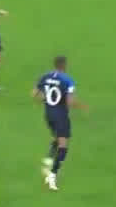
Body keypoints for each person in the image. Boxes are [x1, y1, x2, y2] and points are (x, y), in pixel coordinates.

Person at [35, 56, 85, 192]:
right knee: (63, 145)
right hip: (61, 117)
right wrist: (81, 106)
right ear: (64, 66)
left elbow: (35, 95)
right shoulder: (68, 80)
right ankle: (52, 175)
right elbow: (70, 102)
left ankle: (48, 159)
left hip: (48, 115)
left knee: (56, 138)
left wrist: (46, 100)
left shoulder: (45, 77)